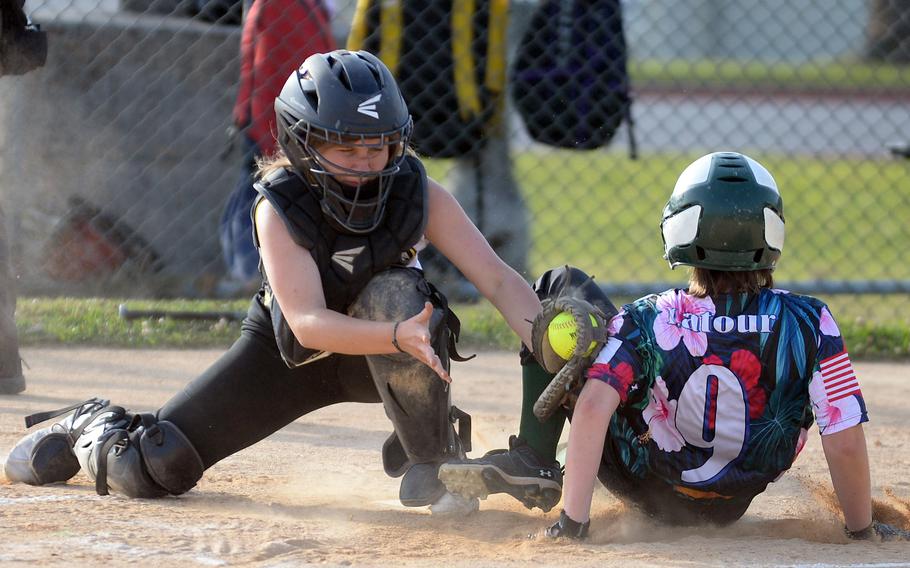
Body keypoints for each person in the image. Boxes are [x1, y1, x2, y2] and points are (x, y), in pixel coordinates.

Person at [3, 50, 542, 515]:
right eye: (346, 149)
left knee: (395, 294)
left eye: (377, 147)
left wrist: (545, 337)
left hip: (392, 352)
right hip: (289, 357)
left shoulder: (416, 191)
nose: (366, 164)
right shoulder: (279, 204)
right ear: (302, 142)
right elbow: (307, 324)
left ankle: (434, 464)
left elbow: (496, 278)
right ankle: (93, 424)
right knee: (157, 464)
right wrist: (398, 337)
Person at [522, 152, 907, 540]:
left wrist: (572, 526)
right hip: (732, 502)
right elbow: (844, 440)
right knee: (796, 381)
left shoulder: (647, 318)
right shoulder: (811, 321)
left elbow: (591, 407)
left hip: (643, 482)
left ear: (679, 228)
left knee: (563, 290)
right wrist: (862, 530)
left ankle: (533, 457)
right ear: (771, 233)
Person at [219, 0, 335, 292]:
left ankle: (250, 275)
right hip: (273, 123)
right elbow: (265, 68)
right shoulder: (283, 5)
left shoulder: (300, 6)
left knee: (251, 198)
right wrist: (263, 125)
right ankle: (249, 276)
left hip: (283, 123)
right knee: (253, 199)